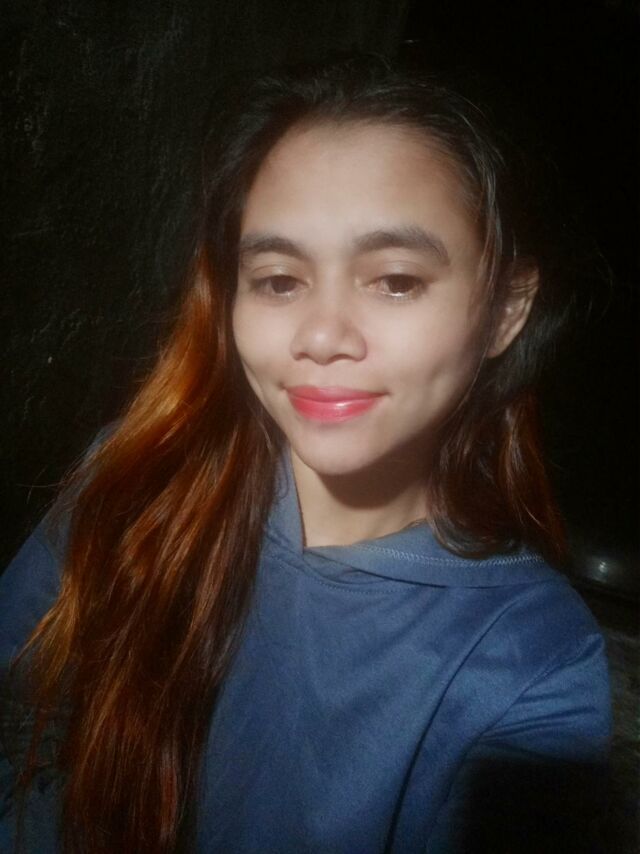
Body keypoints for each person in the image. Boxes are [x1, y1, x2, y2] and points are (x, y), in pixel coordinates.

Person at [0, 56, 611, 853]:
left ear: (505, 309)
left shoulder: (533, 665)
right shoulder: (138, 476)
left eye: (395, 280)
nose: (321, 337)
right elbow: (21, 717)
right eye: (279, 280)